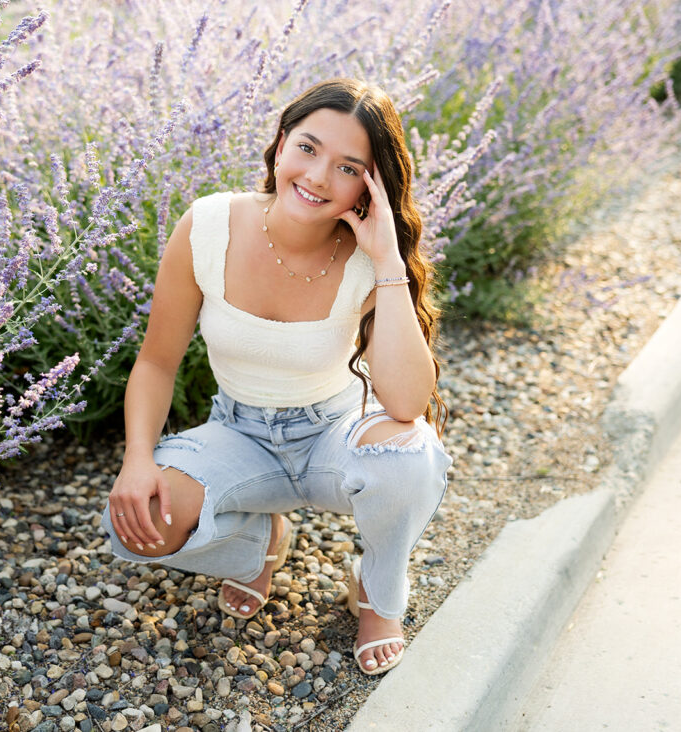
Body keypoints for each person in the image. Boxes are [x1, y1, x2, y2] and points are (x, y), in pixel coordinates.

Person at [100, 78, 452, 676]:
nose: (317, 178)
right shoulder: (209, 225)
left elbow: (406, 401)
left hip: (331, 437)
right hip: (238, 436)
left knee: (410, 455)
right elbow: (157, 361)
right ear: (282, 143)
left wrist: (390, 262)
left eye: (347, 167)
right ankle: (258, 545)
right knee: (134, 528)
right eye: (309, 149)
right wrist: (138, 458)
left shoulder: (370, 256)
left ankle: (377, 589)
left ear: (371, 186)